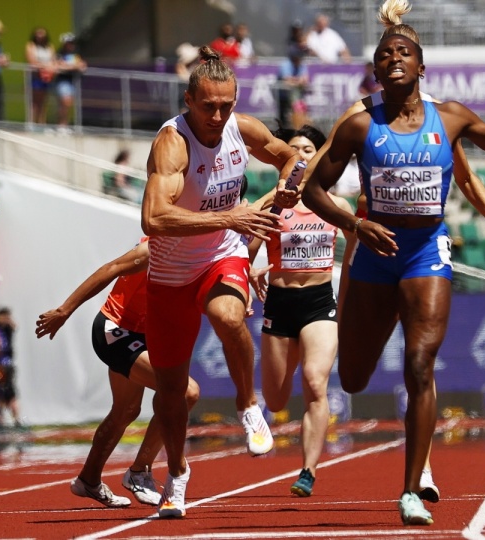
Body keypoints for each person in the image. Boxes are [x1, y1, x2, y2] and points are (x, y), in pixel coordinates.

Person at [299, 0, 485, 524]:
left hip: (426, 251)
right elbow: (312, 189)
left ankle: (410, 489)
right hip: (374, 256)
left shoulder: (448, 117)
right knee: (355, 377)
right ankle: (372, 349)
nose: (394, 59)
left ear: (421, 66)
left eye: (404, 52)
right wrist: (354, 225)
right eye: (385, 55)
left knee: (420, 365)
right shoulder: (360, 126)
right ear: (376, 70)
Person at [141, 45, 301, 518]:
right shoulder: (173, 143)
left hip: (221, 256)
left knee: (228, 315)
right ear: (188, 100)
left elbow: (288, 154)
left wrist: (287, 187)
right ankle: (177, 472)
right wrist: (229, 215)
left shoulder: (241, 127)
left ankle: (248, 403)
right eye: (208, 106)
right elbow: (154, 218)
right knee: (171, 394)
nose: (217, 115)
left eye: (226, 106)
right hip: (170, 272)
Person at [35, 238, 201, 508]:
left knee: (125, 410)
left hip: (146, 334)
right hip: (116, 332)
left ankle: (88, 479)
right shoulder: (158, 246)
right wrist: (64, 311)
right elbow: (110, 268)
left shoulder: (203, 249)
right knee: (185, 393)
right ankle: (139, 470)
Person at [247, 125, 352, 498]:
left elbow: (355, 238)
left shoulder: (336, 206)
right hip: (279, 303)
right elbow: (247, 248)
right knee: (275, 400)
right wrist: (248, 279)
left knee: (315, 382)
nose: (303, 156)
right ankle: (263, 415)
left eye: (309, 149)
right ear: (282, 157)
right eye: (294, 150)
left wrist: (350, 286)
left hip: (320, 302)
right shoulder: (270, 203)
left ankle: (307, 470)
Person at [25, 27, 57, 125]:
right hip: (36, 76)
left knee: (43, 102)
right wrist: (45, 66)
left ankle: (42, 123)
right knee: (34, 102)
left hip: (46, 77)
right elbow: (32, 61)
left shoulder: (49, 46)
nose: (40, 36)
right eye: (38, 34)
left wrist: (50, 68)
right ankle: (31, 123)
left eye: (42, 34)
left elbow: (53, 60)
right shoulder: (31, 46)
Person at [54, 33, 87, 130]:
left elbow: (82, 66)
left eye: (72, 43)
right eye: (69, 43)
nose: (71, 45)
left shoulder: (77, 54)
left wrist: (70, 66)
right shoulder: (59, 54)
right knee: (65, 102)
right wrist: (73, 66)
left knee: (68, 104)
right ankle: (61, 125)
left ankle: (64, 124)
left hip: (73, 81)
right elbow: (59, 66)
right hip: (62, 81)